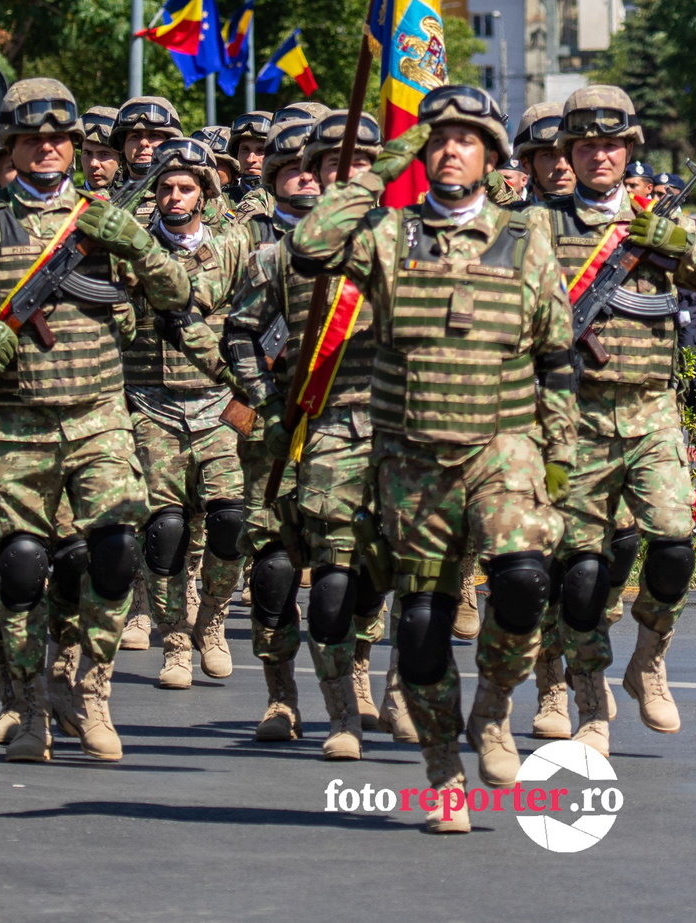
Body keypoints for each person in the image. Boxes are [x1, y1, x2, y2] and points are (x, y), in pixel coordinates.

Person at [286, 84, 575, 832]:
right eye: (437, 136)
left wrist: (562, 459)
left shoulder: (527, 237)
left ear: (490, 156)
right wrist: (380, 168)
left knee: (520, 581)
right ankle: (444, 768)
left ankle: (494, 706)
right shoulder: (388, 237)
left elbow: (556, 355)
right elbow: (309, 245)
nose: (450, 148)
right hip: (412, 462)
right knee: (419, 629)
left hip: (502, 447)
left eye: (466, 138)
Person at [0, 77, 179, 764]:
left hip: (98, 418)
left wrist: (140, 247)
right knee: (22, 568)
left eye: (61, 138)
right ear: (12, 146)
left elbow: (181, 296)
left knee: (116, 552)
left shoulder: (104, 215)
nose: (49, 148)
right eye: (33, 138)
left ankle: (89, 689)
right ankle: (30, 706)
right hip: (12, 424)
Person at [538, 84, 696, 754]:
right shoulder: (541, 226)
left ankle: (649, 659)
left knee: (674, 543)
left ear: (629, 149)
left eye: (610, 143)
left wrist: (676, 239)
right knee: (579, 571)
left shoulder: (655, 219)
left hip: (652, 409)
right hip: (574, 415)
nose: (598, 156)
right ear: (567, 153)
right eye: (585, 145)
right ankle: (586, 702)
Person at [227, 108, 398, 755]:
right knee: (274, 567)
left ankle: (354, 670)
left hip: (377, 434)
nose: (345, 175)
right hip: (288, 437)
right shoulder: (277, 257)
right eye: (332, 166)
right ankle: (281, 693)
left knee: (365, 567)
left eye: (358, 163)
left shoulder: (402, 253)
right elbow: (238, 333)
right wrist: (266, 402)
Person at [123, 136, 254, 690]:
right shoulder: (126, 247)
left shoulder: (234, 245)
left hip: (218, 402)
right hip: (152, 404)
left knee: (228, 521)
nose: (175, 197)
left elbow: (254, 313)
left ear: (204, 193)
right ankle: (176, 640)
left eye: (185, 187)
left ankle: (215, 620)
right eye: (165, 188)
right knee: (166, 529)